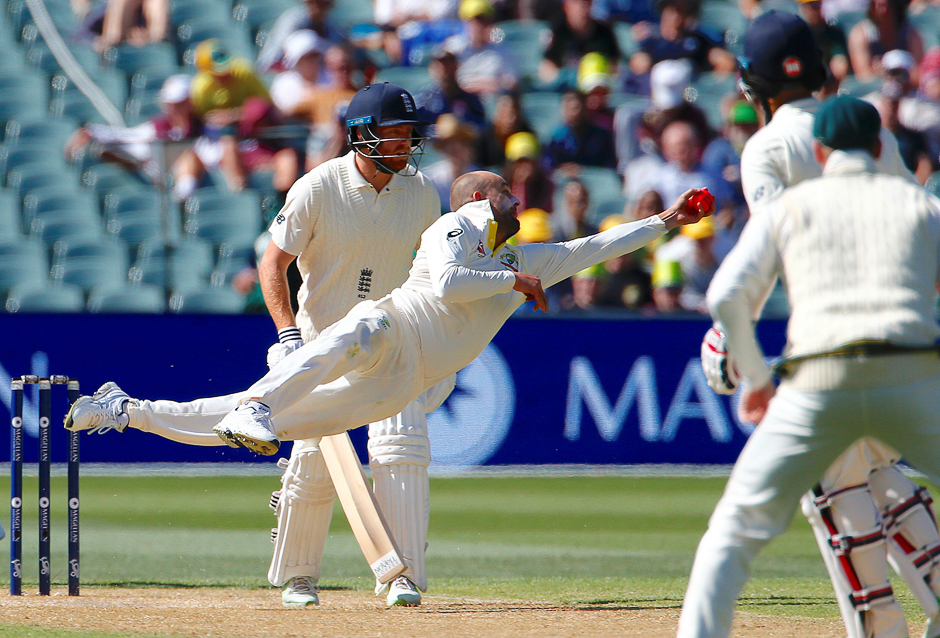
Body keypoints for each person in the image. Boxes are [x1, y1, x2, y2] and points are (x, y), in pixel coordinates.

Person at [64, 173, 713, 587]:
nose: (517, 196)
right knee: (359, 330)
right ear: (479, 203)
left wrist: (665, 224)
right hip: (393, 333)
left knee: (248, 422)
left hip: (406, 382)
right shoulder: (449, 230)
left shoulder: (528, 256)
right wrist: (510, 280)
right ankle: (256, 411)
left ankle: (131, 410)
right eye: (503, 191)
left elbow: (597, 247)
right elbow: (456, 287)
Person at [694, 12, 940, 638]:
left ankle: (881, 628)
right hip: (908, 339)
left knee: (818, 493)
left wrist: (743, 356)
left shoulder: (767, 147)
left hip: (824, 341)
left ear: (753, 83)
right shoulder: (876, 140)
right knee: (876, 472)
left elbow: (774, 250)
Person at [171, 83, 444, 610]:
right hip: (323, 346)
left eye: (410, 135)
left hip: (394, 341)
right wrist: (289, 336)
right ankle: (300, 577)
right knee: (314, 461)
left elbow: (434, 272)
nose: (405, 145)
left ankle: (402, 574)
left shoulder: (423, 192)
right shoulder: (318, 187)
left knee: (401, 448)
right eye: (394, 134)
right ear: (361, 136)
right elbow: (272, 263)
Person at [63, 74, 203, 198]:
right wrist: (91, 131)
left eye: (180, 103)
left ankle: (183, 198)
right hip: (159, 171)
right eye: (171, 104)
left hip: (188, 172)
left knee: (189, 155)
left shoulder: (204, 126)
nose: (173, 108)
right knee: (116, 148)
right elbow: (128, 136)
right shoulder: (157, 127)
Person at [848, 0, 924, 81]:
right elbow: (863, 75)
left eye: (889, 5)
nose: (884, 10)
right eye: (880, 5)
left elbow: (918, 72)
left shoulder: (911, 33)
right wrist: (880, 73)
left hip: (906, 85)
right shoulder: (861, 33)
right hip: (875, 87)